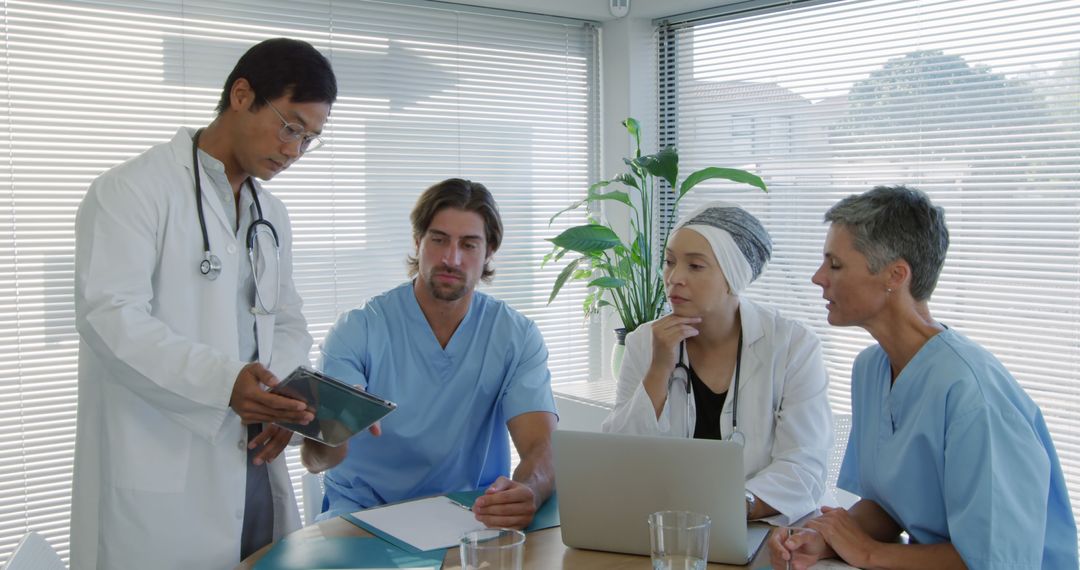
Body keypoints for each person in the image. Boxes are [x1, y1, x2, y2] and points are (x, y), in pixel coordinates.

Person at [71, 38, 336, 569]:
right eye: (290, 127)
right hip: (163, 473)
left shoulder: (271, 214)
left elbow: (288, 322)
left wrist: (280, 398)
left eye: (309, 140)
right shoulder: (131, 191)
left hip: (253, 460)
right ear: (242, 95)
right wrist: (223, 383)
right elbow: (110, 319)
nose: (293, 152)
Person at [771, 186, 1078, 570]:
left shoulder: (973, 396)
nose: (818, 278)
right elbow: (887, 506)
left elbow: (997, 561)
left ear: (895, 275)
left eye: (835, 264)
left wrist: (867, 552)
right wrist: (823, 538)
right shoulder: (870, 369)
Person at [302, 178, 558, 529]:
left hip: (471, 514)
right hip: (363, 516)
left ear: (489, 252)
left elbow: (542, 446)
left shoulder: (516, 336)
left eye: (469, 244)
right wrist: (334, 433)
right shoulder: (358, 330)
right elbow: (314, 458)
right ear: (417, 241)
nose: (451, 258)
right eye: (439, 240)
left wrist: (530, 490)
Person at [602, 202, 833, 525]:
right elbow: (616, 458)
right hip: (667, 529)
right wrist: (658, 370)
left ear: (732, 277)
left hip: (762, 528)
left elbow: (804, 466)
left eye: (695, 266)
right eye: (670, 262)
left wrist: (736, 506)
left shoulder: (792, 346)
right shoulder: (645, 341)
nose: (674, 278)